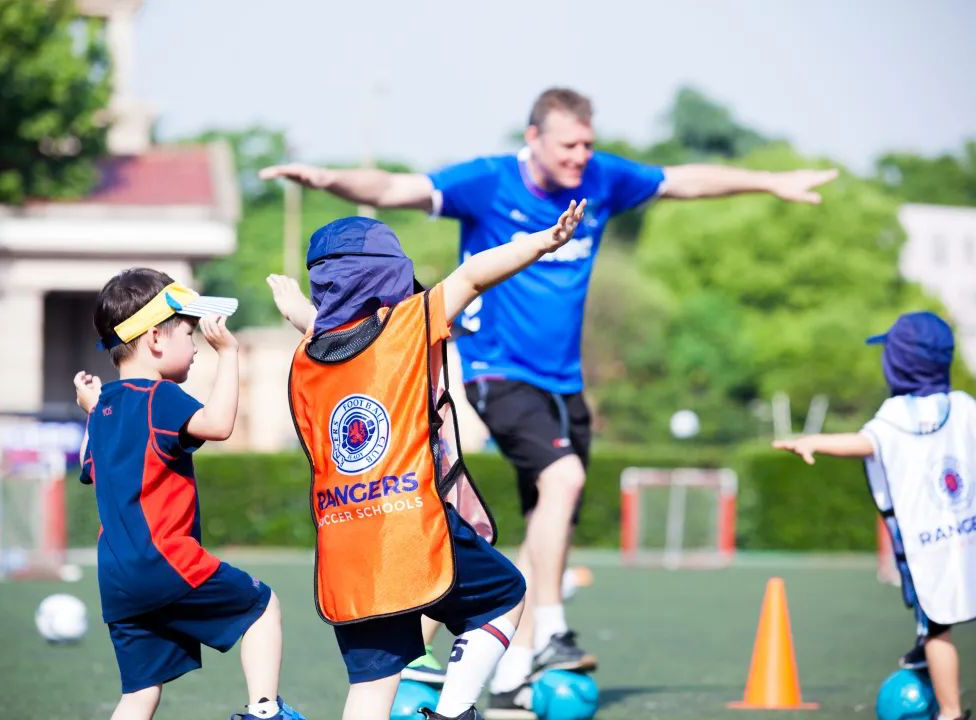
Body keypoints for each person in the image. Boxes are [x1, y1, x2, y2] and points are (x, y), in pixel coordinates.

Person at [260, 86, 840, 711]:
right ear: (533, 137)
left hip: (552, 390)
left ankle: (502, 669)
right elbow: (398, 194)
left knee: (513, 523)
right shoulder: (480, 193)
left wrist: (770, 183)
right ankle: (545, 632)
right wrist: (327, 178)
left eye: (590, 144)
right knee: (552, 490)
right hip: (498, 370)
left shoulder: (309, 360)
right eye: (570, 144)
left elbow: (681, 180)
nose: (582, 155)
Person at [278, 201, 585, 720]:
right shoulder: (407, 327)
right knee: (505, 596)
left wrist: (296, 310)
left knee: (373, 684)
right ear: (388, 275)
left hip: (346, 543)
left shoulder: (305, 358)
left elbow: (337, 338)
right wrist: (542, 242)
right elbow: (472, 275)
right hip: (411, 528)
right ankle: (454, 713)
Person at [72, 268, 305, 720]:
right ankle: (264, 711)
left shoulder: (104, 407)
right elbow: (218, 425)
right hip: (166, 560)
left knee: (140, 693)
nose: (197, 344)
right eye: (189, 331)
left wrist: (91, 409)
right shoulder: (160, 396)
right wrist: (230, 355)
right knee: (261, 606)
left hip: (117, 578)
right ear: (156, 338)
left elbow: (90, 467)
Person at [773, 311, 972, 720]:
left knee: (938, 626)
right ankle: (927, 661)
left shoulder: (896, 416)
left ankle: (950, 712)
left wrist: (814, 441)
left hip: (931, 544)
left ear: (897, 364)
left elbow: (865, 443)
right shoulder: (964, 407)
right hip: (970, 535)